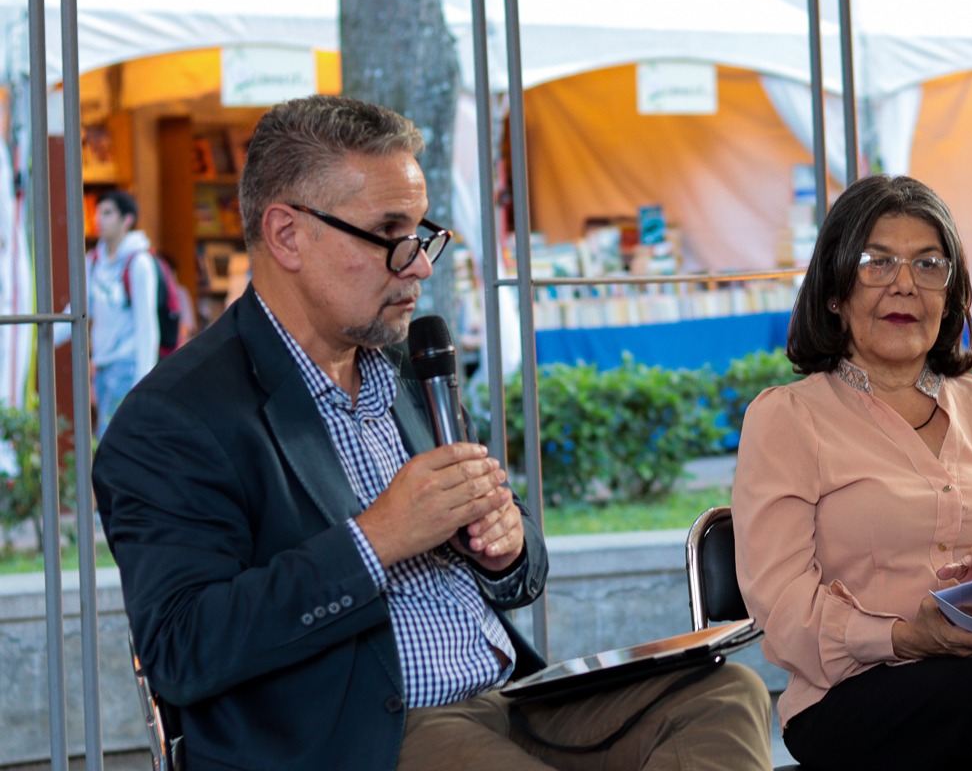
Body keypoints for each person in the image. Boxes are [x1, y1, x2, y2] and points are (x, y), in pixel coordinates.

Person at [94, 94, 771, 771]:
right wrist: (377, 539)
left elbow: (523, 568)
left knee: (721, 693)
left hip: (510, 699)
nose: (419, 264)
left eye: (422, 233)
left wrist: (505, 547)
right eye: (389, 234)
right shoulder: (174, 419)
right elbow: (183, 650)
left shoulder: (410, 369)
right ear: (287, 235)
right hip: (362, 736)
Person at [731, 174, 972, 770]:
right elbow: (782, 613)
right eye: (876, 263)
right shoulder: (788, 420)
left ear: (951, 296)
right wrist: (908, 637)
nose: (904, 284)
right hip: (861, 693)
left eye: (929, 264)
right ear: (834, 292)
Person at [57, 189, 159, 436]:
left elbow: (147, 326)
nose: (98, 219)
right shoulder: (94, 260)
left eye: (107, 213)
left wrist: (143, 382)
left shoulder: (139, 263)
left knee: (111, 438)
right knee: (108, 439)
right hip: (101, 369)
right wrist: (40, 334)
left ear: (127, 219)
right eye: (98, 212)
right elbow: (79, 310)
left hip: (127, 368)